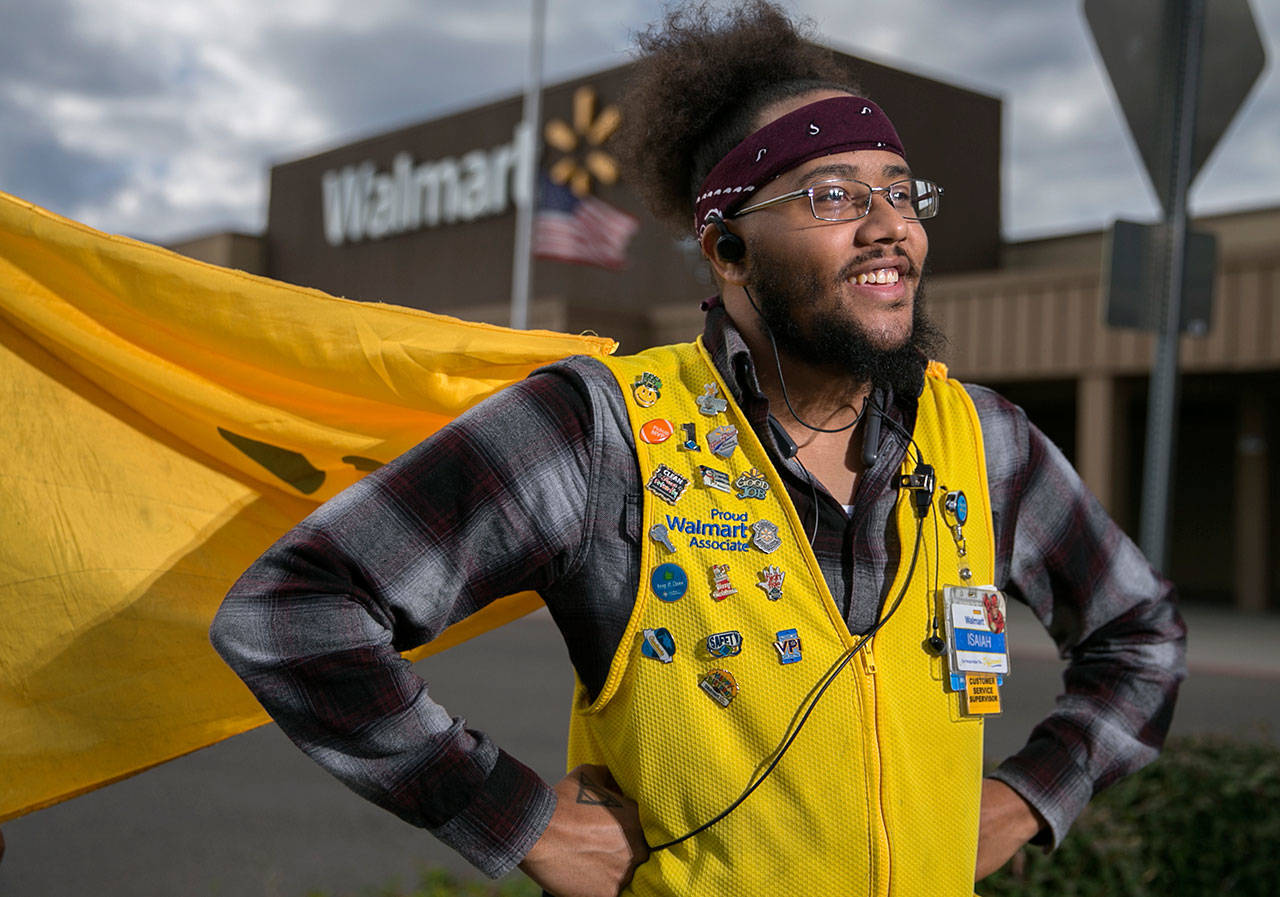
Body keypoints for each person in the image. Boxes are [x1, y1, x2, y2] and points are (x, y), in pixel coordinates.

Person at [211, 3, 1185, 895]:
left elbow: (1138, 635)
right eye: (833, 196)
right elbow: (293, 611)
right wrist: (515, 821)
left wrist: (1026, 799)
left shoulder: (982, 440)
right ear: (725, 252)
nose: (890, 228)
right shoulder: (600, 434)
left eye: (898, 192)